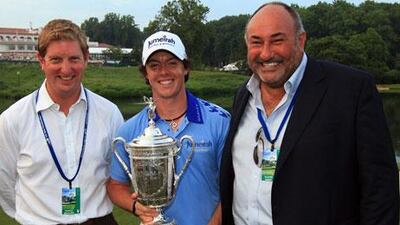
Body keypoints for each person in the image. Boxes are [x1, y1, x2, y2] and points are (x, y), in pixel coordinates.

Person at [219, 2, 399, 225]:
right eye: (256, 42)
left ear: (300, 41)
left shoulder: (351, 90)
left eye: (277, 40)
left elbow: (380, 188)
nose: (266, 53)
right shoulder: (243, 96)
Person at [0, 19, 124, 224]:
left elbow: (118, 177)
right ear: (41, 61)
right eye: (56, 59)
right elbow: (4, 184)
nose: (66, 70)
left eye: (74, 59)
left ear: (86, 58)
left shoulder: (109, 113)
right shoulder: (12, 119)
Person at [107, 30, 230, 225]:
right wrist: (137, 208)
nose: (164, 72)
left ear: (185, 68)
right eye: (154, 65)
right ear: (146, 73)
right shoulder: (130, 129)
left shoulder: (220, 121)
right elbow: (115, 184)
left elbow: (233, 185)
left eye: (172, 63)